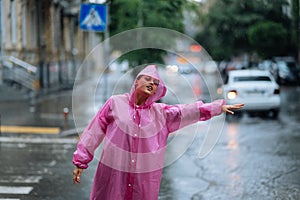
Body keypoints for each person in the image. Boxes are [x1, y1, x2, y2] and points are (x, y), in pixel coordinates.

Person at [72, 65, 244, 200]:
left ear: (156, 91)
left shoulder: (161, 113)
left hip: (143, 179)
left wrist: (218, 107)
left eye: (155, 83)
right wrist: (81, 161)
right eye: (147, 79)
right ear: (136, 82)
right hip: (114, 173)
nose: (151, 84)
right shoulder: (115, 103)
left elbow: (187, 110)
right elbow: (94, 131)